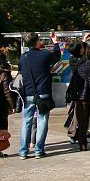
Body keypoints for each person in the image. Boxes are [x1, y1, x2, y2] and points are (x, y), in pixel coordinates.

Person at [17, 32, 58, 160]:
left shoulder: (23, 57)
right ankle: (38, 150)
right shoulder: (44, 54)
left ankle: (23, 151)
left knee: (26, 121)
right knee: (42, 120)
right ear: (37, 42)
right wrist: (55, 42)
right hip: (44, 92)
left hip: (29, 93)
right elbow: (57, 56)